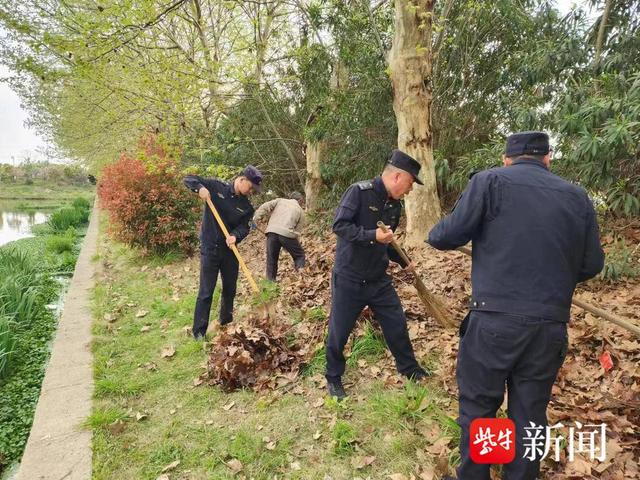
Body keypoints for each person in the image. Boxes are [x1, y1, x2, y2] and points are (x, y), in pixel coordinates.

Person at [427, 131, 604, 480]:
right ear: (548, 158)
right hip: (549, 326)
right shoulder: (577, 197)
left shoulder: (490, 182)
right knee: (529, 414)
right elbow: (592, 264)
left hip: (494, 322)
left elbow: (443, 236)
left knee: (482, 407)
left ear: (507, 159)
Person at [325, 149, 431, 400]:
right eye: (409, 183)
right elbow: (339, 225)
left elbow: (388, 241)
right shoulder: (359, 192)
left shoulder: (395, 206)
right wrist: (371, 235)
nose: (410, 189)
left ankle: (410, 369)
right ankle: (333, 376)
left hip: (378, 279)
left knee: (396, 323)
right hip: (350, 277)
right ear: (397, 176)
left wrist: (403, 262)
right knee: (339, 331)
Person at [184, 165, 263, 340]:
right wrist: (200, 188)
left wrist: (235, 236)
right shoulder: (216, 187)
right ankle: (199, 332)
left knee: (230, 288)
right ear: (242, 179)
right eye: (250, 187)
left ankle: (226, 323)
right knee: (206, 291)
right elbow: (189, 178)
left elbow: (245, 227)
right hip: (210, 247)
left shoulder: (247, 207)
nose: (251, 192)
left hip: (230, 251)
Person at [253, 191, 306, 281]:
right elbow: (297, 232)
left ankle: (270, 282)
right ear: (300, 200)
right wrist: (289, 245)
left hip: (272, 232)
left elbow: (265, 207)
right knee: (299, 255)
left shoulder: (280, 201)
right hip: (287, 234)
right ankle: (301, 277)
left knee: (271, 258)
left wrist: (255, 218)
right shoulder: (301, 211)